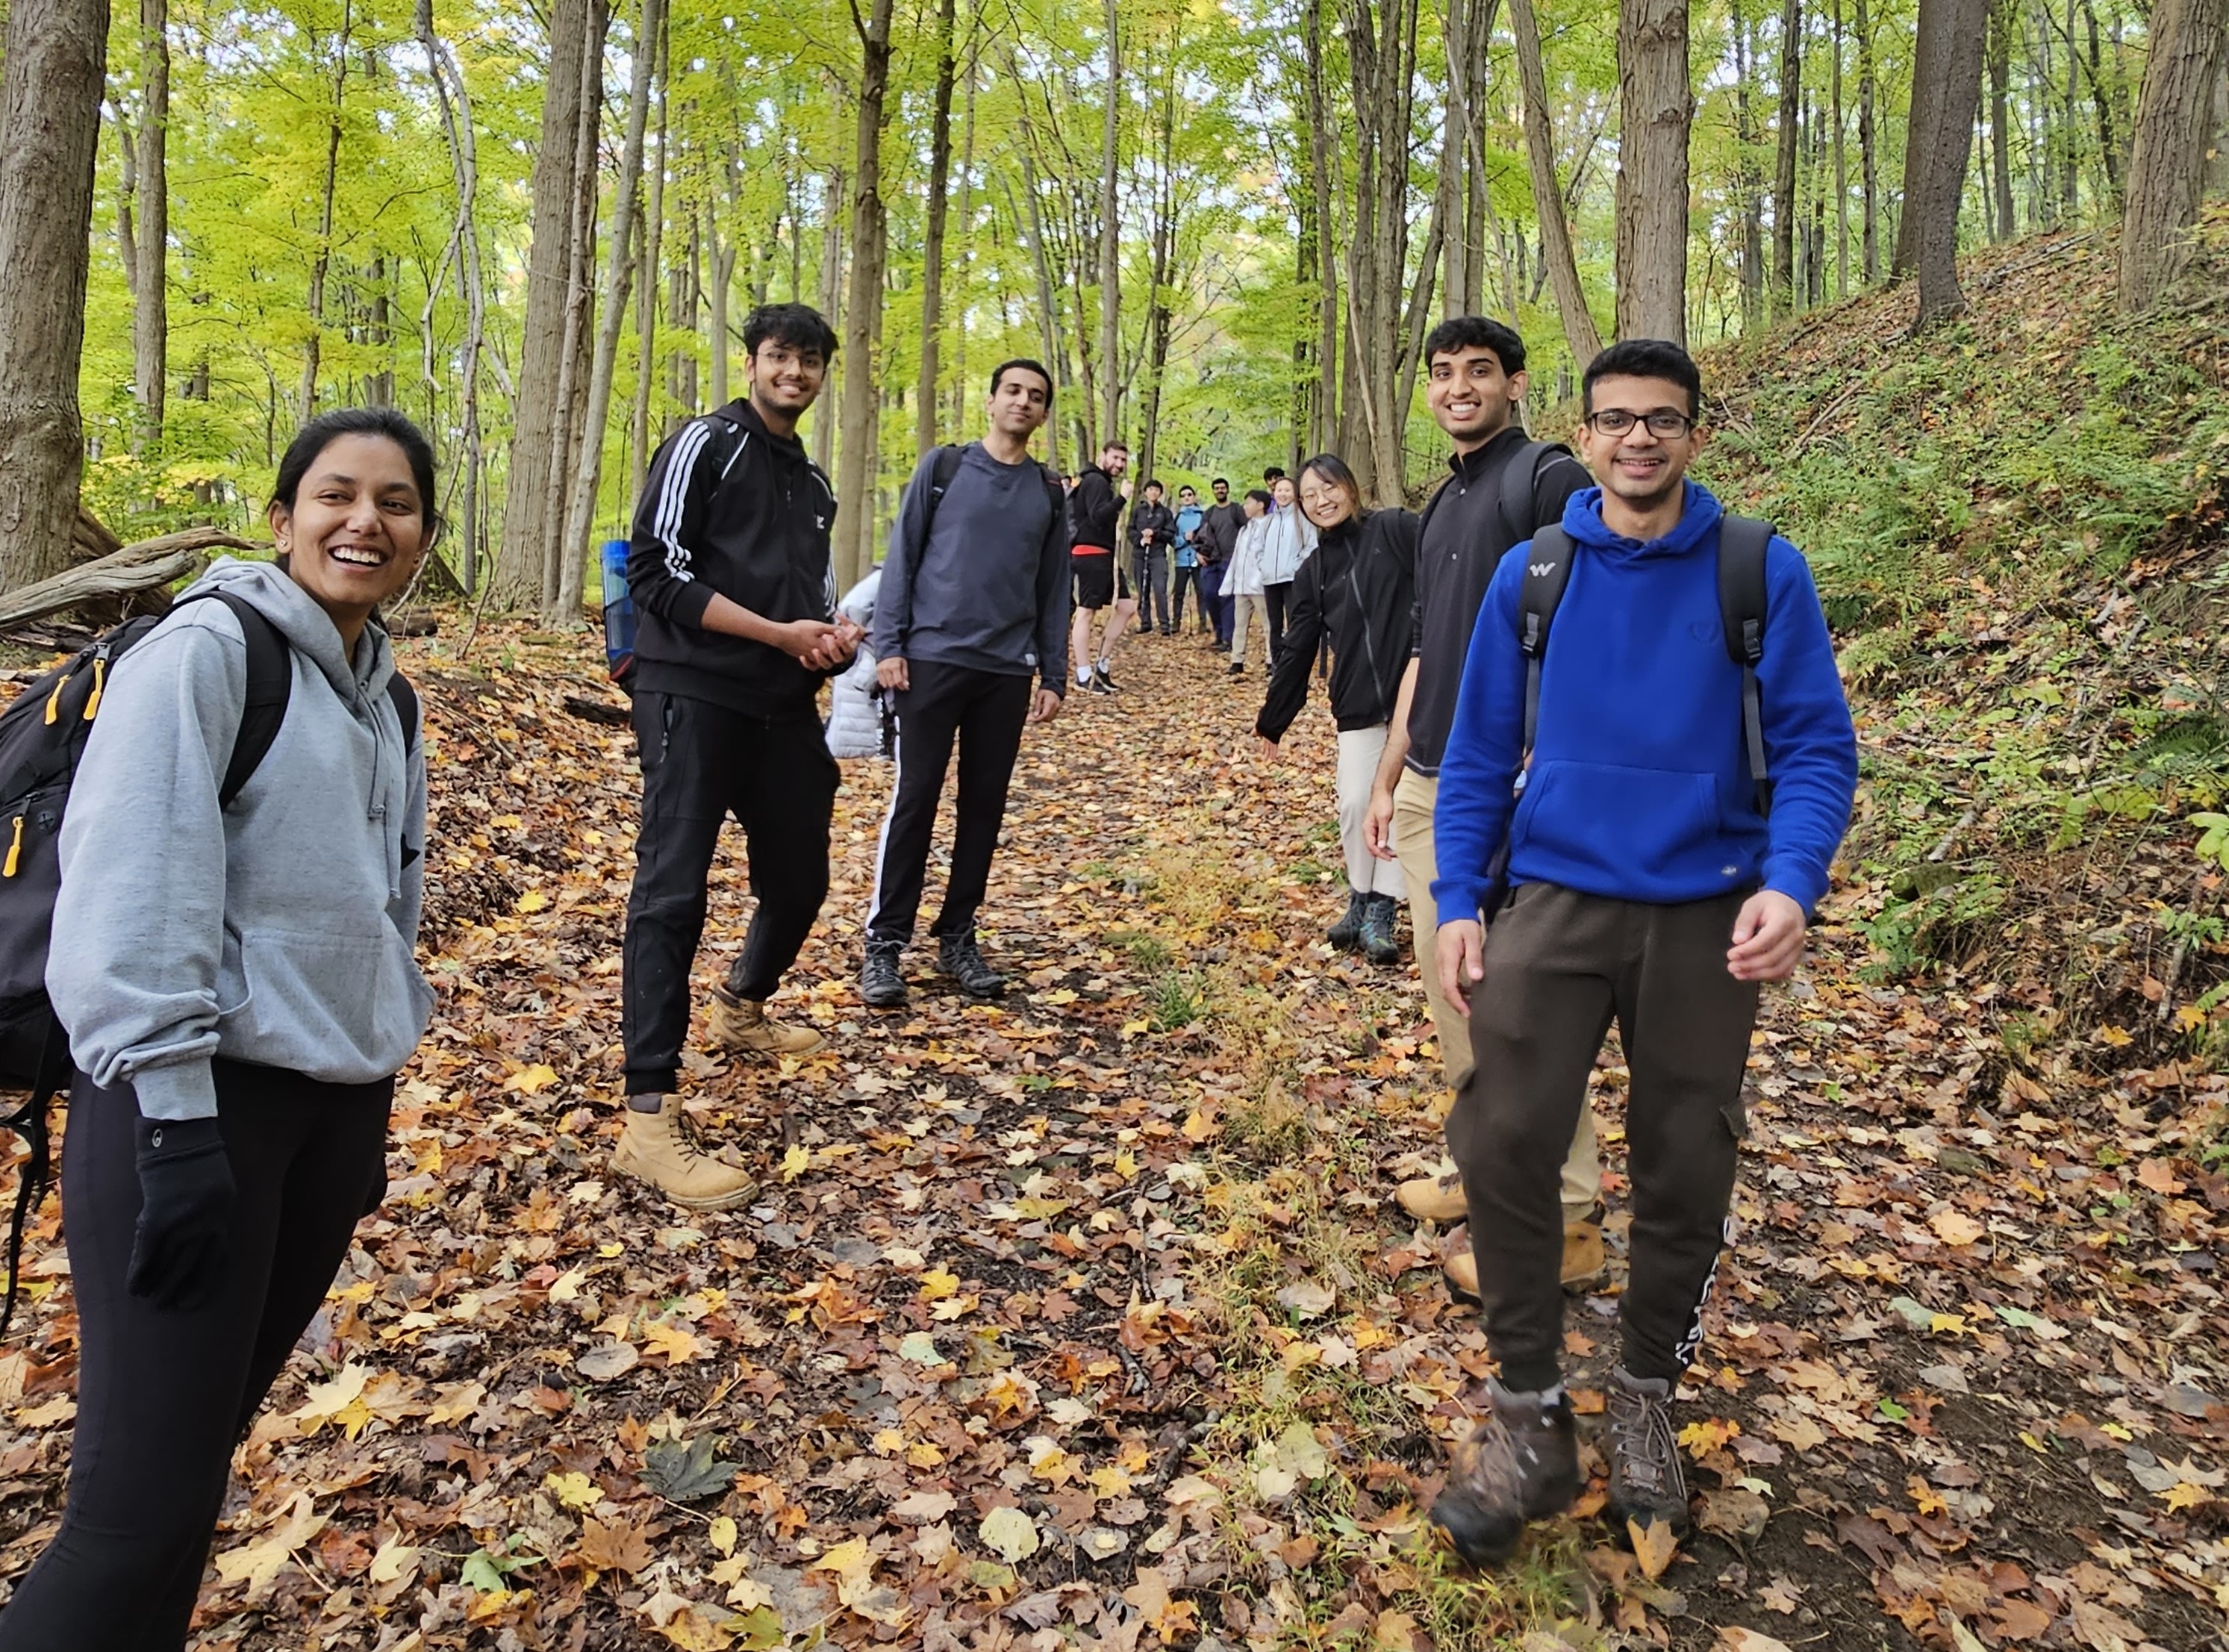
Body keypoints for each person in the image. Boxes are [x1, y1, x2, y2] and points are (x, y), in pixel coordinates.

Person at [0, 409, 439, 1651]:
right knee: (130, 1517)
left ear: (421, 538)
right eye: (337, 495)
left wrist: (369, 1112)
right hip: (185, 1113)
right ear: (283, 514)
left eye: (396, 503)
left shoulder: (388, 698)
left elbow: (381, 913)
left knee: (190, 1481)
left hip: (324, 1117)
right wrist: (176, 1128)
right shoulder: (207, 653)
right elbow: (137, 890)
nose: (365, 520)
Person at [1427, 339, 1857, 1567]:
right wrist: (1461, 897)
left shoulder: (1756, 571)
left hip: (1705, 912)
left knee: (1683, 1156)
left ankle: (1648, 1394)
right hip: (1555, 899)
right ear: (1587, 429)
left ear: (1693, 434)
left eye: (1661, 421)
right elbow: (1473, 757)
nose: (1638, 441)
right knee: (1502, 1132)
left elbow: (1819, 747)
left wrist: (1792, 880)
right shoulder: (1537, 572)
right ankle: (1528, 1419)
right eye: (1617, 420)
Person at [1361, 316, 1604, 1298]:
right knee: (1455, 990)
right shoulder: (1441, 502)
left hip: (1515, 790)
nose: (1458, 387)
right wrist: (1387, 776)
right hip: (1434, 787)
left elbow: (1602, 609)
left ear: (1513, 381)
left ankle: (1569, 1216)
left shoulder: (1544, 480)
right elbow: (1424, 649)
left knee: (1520, 1005)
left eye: (1478, 372)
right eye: (1443, 374)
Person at [616, 302, 858, 1212]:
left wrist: (828, 642)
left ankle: (742, 1005)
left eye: (808, 362)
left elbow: (813, 598)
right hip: (691, 690)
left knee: (800, 877)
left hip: (781, 703)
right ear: (753, 362)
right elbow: (656, 571)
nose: (793, 373)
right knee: (671, 891)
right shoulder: (703, 443)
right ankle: (648, 1117)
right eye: (779, 357)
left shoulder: (814, 481)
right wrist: (774, 633)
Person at [860, 360, 1070, 1007]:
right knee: (917, 798)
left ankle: (958, 936)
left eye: (1036, 397)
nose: (1023, 402)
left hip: (1005, 670)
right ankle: (885, 944)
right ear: (991, 400)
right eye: (1013, 391)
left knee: (983, 807)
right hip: (930, 660)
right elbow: (903, 558)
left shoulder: (1046, 489)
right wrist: (890, 646)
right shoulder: (945, 470)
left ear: (1043, 413)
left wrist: (1053, 671)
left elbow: (1053, 585)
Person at [1253, 454, 1415, 963]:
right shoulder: (1314, 569)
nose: (1322, 501)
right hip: (1356, 702)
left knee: (1399, 804)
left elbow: (1448, 572)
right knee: (1353, 802)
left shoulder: (1394, 529)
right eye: (1309, 496)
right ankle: (1359, 894)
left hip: (1416, 699)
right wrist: (1273, 719)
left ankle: (1383, 909)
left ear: (1350, 485)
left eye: (1329, 488)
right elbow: (1298, 645)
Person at [1067, 442, 1135, 693]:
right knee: (1086, 612)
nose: (1119, 464)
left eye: (1123, 460)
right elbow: (1099, 516)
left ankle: (1102, 667)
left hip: (1105, 555)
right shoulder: (1095, 481)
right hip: (1090, 553)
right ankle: (1083, 674)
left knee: (1127, 607)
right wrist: (1122, 498)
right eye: (1115, 458)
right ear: (1102, 456)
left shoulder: (1101, 482)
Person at [824, 566, 889, 761]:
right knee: (853, 715)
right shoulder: (884, 578)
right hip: (862, 656)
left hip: (864, 654)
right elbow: (850, 609)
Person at [1256, 474, 1317, 658]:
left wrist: (1296, 567)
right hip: (1270, 580)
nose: (1283, 494)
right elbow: (1259, 548)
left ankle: (1292, 660)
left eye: (1287, 490)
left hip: (1292, 579)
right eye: (1279, 490)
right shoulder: (1267, 522)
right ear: (1274, 494)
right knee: (1274, 624)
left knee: (1294, 621)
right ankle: (1275, 662)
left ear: (1295, 493)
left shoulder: (1302, 519)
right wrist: (1263, 565)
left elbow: (1312, 546)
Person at [1225, 488, 1273, 676]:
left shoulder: (1270, 526)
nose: (1245, 507)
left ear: (1260, 505)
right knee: (1240, 624)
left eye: (1249, 503)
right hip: (1242, 584)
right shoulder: (1245, 529)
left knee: (1268, 624)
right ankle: (1237, 660)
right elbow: (1238, 556)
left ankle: (1271, 659)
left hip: (1261, 585)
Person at [1197, 478, 1244, 648]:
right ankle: (1218, 632)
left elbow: (1247, 531)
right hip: (1210, 562)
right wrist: (1198, 554)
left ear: (1228, 490)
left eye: (1223, 488)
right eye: (1216, 488)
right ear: (1213, 491)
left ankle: (1227, 638)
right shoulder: (1209, 513)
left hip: (1231, 561)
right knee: (1210, 596)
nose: (1220, 491)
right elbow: (1201, 536)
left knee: (1227, 599)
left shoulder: (1236, 510)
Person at [1128, 480, 1176, 637]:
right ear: (1146, 492)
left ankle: (1164, 625)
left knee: (1160, 589)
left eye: (1157, 490)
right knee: (1142, 589)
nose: (1153, 493)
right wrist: (1141, 540)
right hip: (1140, 555)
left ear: (1160, 493)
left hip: (1158, 555)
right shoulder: (1138, 511)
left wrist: (1155, 533)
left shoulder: (1165, 512)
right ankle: (1145, 623)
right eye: (1151, 489)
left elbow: (1170, 533)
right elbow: (1130, 530)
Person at [1171, 484, 1206, 634]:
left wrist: (1199, 545)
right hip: (1181, 560)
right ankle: (1176, 623)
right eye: (1184, 495)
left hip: (1199, 559)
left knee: (1201, 592)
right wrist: (1183, 540)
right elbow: (1171, 538)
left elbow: (1208, 536)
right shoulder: (1177, 517)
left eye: (1189, 494)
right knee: (1179, 592)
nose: (1187, 497)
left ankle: (1203, 623)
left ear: (1194, 497)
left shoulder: (1203, 516)